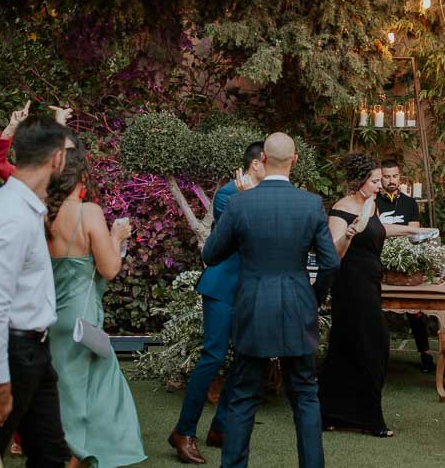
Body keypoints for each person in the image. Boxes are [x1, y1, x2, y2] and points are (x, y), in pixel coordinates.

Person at [202, 132, 340, 468]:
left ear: (262, 159)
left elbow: (211, 254)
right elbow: (331, 262)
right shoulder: (311, 203)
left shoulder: (239, 202)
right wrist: (313, 297)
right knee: (306, 396)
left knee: (244, 396)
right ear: (294, 160)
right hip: (297, 305)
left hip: (253, 305)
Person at [0, 115, 74, 465]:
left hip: (33, 351)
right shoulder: (11, 214)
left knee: (50, 454)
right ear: (56, 158)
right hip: (15, 352)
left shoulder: (24, 206)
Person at [46, 135, 146, 467]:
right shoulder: (87, 212)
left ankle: (75, 454)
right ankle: (86, 454)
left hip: (52, 315)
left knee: (68, 392)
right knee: (101, 391)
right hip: (83, 317)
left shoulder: (44, 213)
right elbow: (109, 268)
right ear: (81, 175)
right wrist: (117, 237)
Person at [320, 153, 434, 437]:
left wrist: (411, 229)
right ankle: (370, 418)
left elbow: (378, 230)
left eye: (380, 180)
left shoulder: (370, 206)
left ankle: (331, 413)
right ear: (360, 181)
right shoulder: (341, 209)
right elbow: (334, 255)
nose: (380, 185)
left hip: (369, 283)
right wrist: (349, 232)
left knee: (346, 347)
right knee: (375, 346)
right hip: (350, 286)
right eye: (374, 180)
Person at [169, 140, 266, 464]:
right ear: (256, 164)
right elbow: (241, 235)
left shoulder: (265, 194)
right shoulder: (228, 195)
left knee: (244, 358)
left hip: (248, 289)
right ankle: (183, 431)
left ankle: (220, 427)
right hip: (223, 286)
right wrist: (251, 198)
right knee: (212, 356)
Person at [377, 157, 435, 373]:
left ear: (400, 177)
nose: (391, 181)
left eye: (395, 176)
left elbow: (414, 236)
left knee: (416, 310)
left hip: (404, 263)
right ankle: (377, 355)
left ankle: (425, 353)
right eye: (386, 177)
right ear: (379, 177)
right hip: (378, 263)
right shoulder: (373, 202)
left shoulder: (409, 203)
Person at [0, 102, 74, 181]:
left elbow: (73, 164)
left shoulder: (67, 178)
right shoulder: (25, 177)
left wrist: (60, 125)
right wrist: (11, 128)